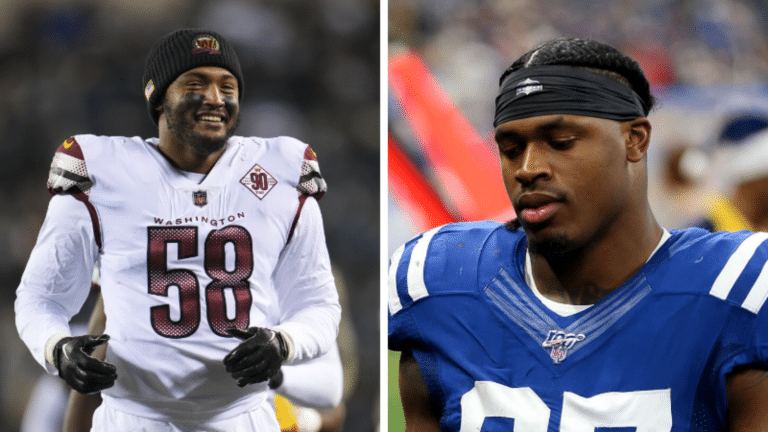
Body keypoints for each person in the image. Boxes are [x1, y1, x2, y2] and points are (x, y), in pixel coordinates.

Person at [388, 37, 768, 431]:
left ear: (634, 139)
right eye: (511, 148)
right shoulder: (436, 283)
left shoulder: (738, 289)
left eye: (561, 142)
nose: (528, 167)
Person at [15, 28, 340, 432]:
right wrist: (55, 347)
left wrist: (284, 343)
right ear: (159, 96)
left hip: (244, 420)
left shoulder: (280, 171)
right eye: (196, 83)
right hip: (135, 421)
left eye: (227, 85)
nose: (216, 98)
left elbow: (318, 305)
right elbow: (40, 298)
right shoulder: (102, 170)